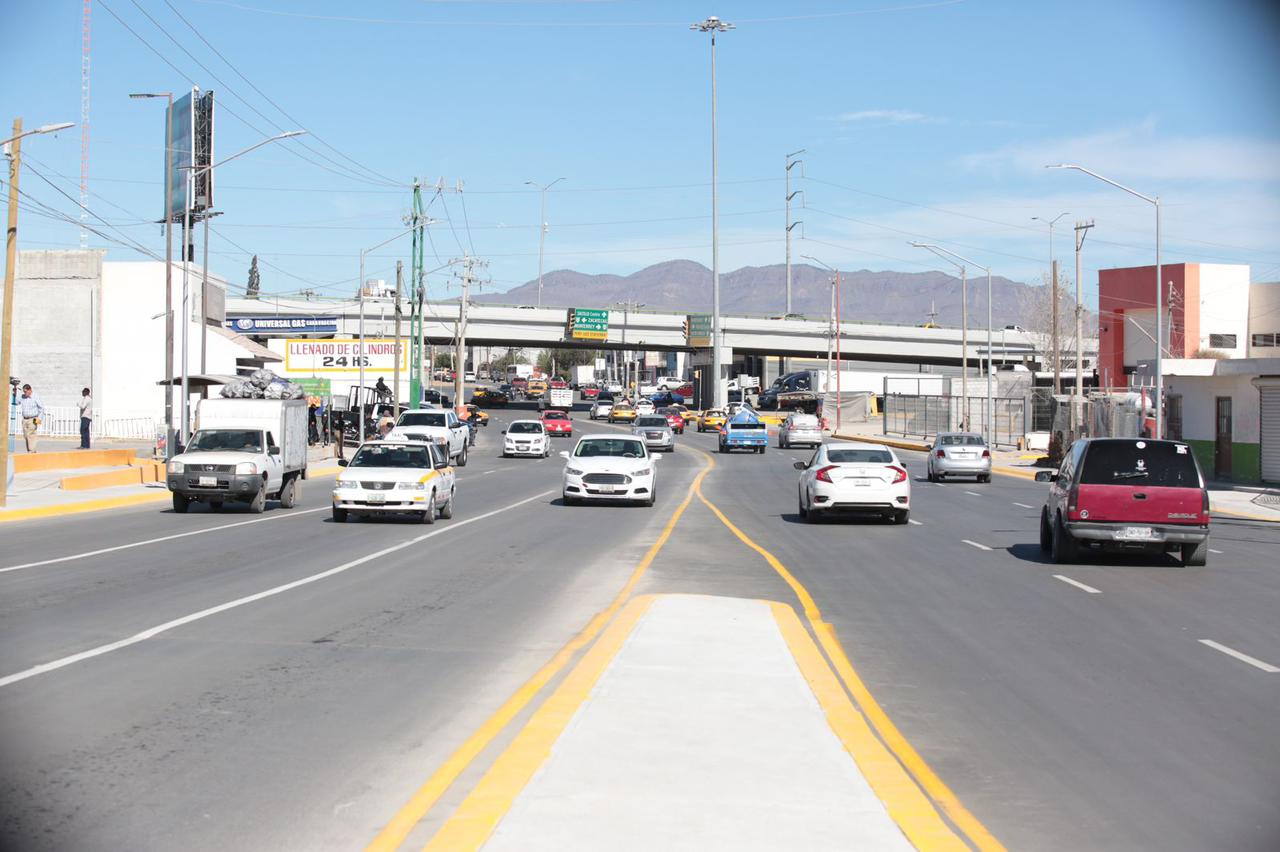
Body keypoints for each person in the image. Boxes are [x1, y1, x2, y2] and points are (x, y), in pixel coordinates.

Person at [18, 384, 45, 453]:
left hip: (33, 419)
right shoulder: (23, 397)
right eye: (24, 392)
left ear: (30, 390)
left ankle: (31, 451)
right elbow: (16, 402)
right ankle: (31, 451)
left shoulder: (36, 397)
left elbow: (41, 408)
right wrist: (14, 394)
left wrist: (39, 420)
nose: (25, 393)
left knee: (31, 434)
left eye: (26, 391)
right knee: (26, 435)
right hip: (24, 419)